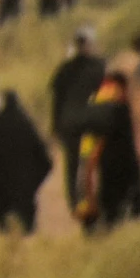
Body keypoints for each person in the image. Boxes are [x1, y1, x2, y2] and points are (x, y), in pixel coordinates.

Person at [0, 91, 52, 235]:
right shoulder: (26, 126)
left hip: (0, 202)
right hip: (25, 201)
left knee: (3, 240)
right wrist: (31, 187)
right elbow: (46, 163)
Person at [73, 70, 140, 231]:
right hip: (115, 181)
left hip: (113, 179)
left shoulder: (104, 109)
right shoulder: (115, 112)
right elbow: (92, 158)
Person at [49, 27, 105, 207]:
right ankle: (96, 200)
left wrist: (55, 126)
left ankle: (75, 202)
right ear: (90, 44)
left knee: (72, 164)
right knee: (96, 161)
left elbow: (56, 100)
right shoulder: (100, 67)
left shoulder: (64, 69)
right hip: (93, 122)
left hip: (70, 123)